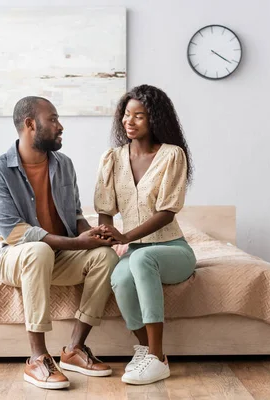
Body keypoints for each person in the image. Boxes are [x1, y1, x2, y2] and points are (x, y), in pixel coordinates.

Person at [0, 96, 119, 390]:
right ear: (30, 124)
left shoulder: (64, 164)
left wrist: (93, 235)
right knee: (37, 249)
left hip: (58, 255)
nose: (61, 126)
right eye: (54, 119)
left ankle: (74, 349)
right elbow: (14, 232)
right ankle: (37, 358)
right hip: (15, 256)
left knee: (107, 258)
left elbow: (73, 216)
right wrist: (78, 244)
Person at [94, 84, 196, 385]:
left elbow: (167, 211)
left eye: (139, 116)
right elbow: (105, 209)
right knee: (120, 277)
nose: (130, 121)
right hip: (136, 250)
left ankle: (156, 356)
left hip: (172, 249)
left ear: (155, 119)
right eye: (126, 114)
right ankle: (146, 350)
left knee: (141, 260)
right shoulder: (112, 158)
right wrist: (107, 236)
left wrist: (126, 238)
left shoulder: (172, 156)